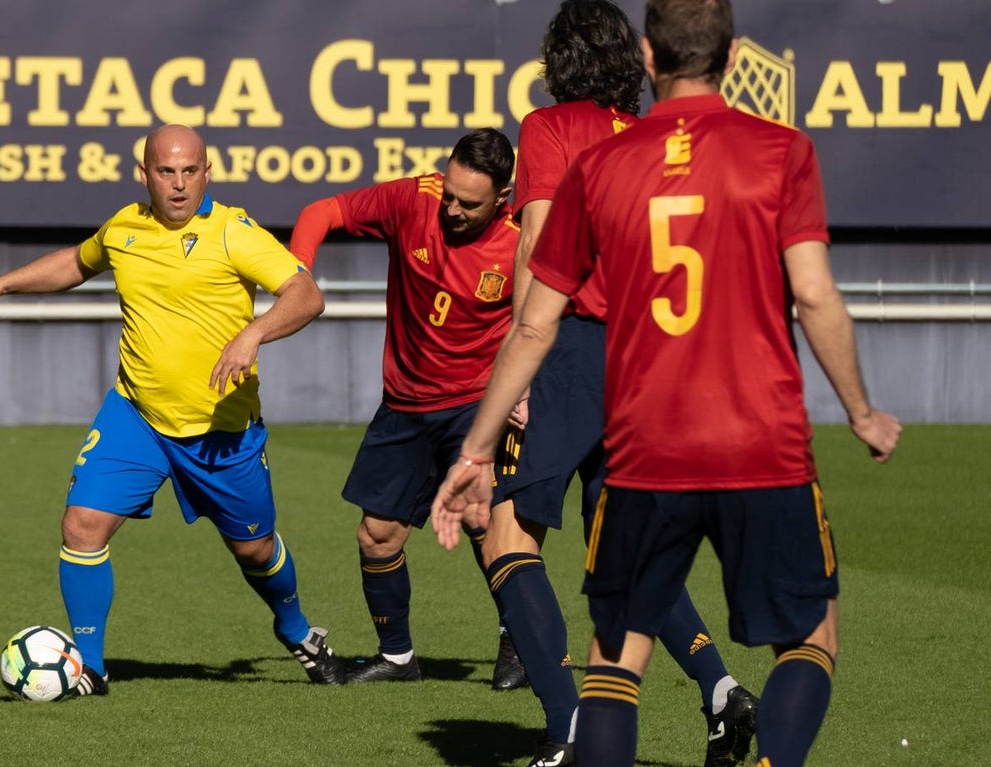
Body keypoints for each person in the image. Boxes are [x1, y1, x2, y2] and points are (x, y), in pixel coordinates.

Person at [431, 1, 902, 765]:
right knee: (807, 634)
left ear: (652, 57)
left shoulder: (589, 157)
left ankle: (572, 723)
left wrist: (480, 441)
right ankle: (739, 712)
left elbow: (537, 299)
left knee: (606, 637)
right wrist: (860, 409)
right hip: (748, 418)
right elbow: (813, 294)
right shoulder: (778, 147)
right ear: (733, 53)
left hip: (625, 400)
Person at [0, 123, 345, 693]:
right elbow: (76, 262)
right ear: (143, 174)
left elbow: (306, 294)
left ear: (208, 172)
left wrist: (254, 334)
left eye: (191, 170)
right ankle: (90, 666)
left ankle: (295, 631)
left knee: (255, 548)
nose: (180, 183)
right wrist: (1, 285)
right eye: (166, 171)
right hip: (136, 415)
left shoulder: (232, 232)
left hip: (222, 431)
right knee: (82, 524)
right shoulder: (125, 227)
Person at [487, 2, 756, 765]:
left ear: (557, 60)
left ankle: (569, 726)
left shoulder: (549, 128)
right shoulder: (647, 139)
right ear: (630, 60)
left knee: (506, 534)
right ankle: (721, 687)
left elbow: (537, 241)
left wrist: (521, 360)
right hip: (648, 359)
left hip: (573, 345)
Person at [289, 127, 526, 689]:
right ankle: (398, 658)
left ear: (503, 198)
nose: (452, 208)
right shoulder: (411, 198)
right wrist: (297, 273)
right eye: (449, 193)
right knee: (376, 535)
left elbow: (546, 320)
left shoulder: (523, 239)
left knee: (483, 523)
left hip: (476, 403)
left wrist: (526, 387)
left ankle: (521, 641)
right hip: (404, 404)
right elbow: (321, 211)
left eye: (469, 203)